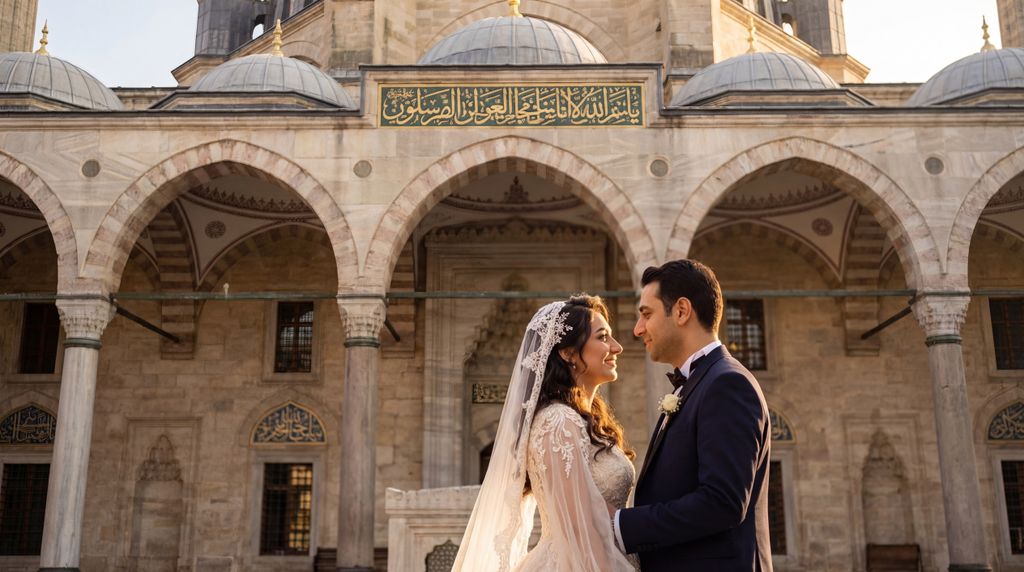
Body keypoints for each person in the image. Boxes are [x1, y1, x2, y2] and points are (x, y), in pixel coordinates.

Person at [452, 295, 637, 572]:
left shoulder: (582, 420)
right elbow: (579, 527)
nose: (617, 347)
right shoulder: (557, 421)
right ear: (568, 353)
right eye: (603, 337)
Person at [614, 259, 773, 571]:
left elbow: (722, 503)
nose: (638, 329)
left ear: (682, 311)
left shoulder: (727, 384)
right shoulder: (699, 382)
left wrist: (621, 525)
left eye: (646, 314)